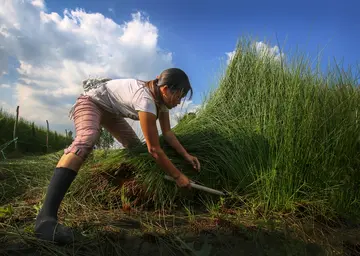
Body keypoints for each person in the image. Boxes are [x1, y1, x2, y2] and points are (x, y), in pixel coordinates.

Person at [34, 68, 201, 244]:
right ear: (166, 89)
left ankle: (123, 190)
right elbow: (154, 149)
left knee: (135, 149)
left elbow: (167, 133)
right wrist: (178, 176)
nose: (179, 102)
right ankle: (45, 219)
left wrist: (186, 155)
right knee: (87, 138)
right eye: (179, 96)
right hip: (91, 102)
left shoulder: (161, 103)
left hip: (110, 111)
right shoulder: (145, 99)